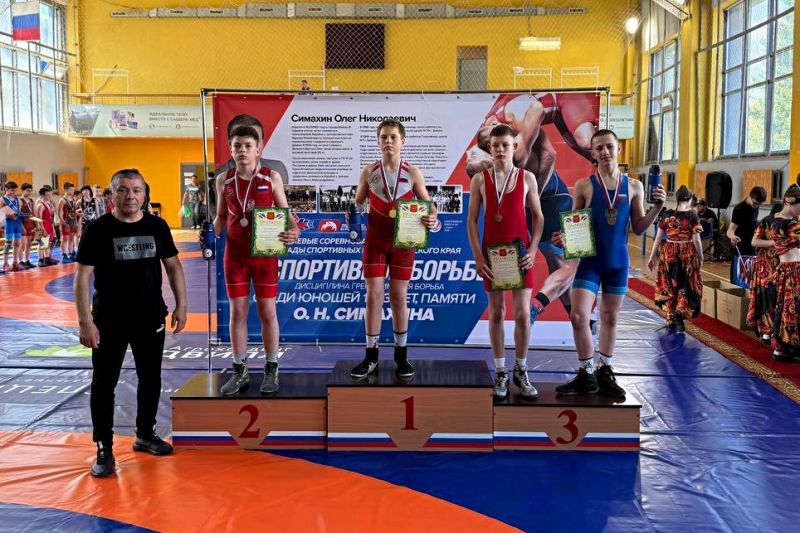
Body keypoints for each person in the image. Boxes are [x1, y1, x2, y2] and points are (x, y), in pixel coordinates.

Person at [74, 169, 187, 478]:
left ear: (144, 194)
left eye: (136, 190)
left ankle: (145, 434)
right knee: (104, 383)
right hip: (108, 320)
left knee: (150, 377)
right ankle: (104, 447)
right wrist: (85, 321)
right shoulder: (98, 230)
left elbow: (173, 266)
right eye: (123, 190)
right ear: (112, 194)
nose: (130, 196)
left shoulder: (157, 226)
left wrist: (182, 305)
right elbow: (82, 277)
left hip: (149, 316)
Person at [555, 129, 666, 397]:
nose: (605, 152)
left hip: (617, 263)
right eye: (599, 148)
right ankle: (586, 373)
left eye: (609, 146)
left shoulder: (635, 186)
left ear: (618, 149)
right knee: (578, 315)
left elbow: (638, 228)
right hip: (590, 263)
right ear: (592, 153)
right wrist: (564, 238)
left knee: (610, 317)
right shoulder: (584, 186)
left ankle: (605, 370)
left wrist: (657, 208)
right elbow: (574, 225)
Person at [213, 125, 299, 396]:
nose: (242, 150)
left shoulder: (271, 177)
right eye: (237, 146)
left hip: (264, 256)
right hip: (235, 257)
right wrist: (209, 233)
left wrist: (294, 231)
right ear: (231, 150)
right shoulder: (223, 180)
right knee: (237, 313)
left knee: (267, 312)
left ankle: (271, 368)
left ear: (258, 150)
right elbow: (220, 217)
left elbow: (286, 214)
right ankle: (239, 370)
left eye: (248, 146)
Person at [349, 119, 438, 379]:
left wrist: (432, 217)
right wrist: (353, 213)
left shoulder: (412, 172)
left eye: (393, 137)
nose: (388, 141)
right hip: (375, 243)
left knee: (399, 297)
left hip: (403, 243)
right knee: (373, 297)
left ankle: (401, 356)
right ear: (378, 141)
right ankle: (371, 356)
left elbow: (429, 206)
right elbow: (357, 203)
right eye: (384, 137)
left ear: (402, 142)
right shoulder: (369, 171)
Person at [467, 124, 543, 397]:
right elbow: (472, 221)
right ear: (489, 148)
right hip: (492, 256)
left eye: (505, 145)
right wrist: (478, 256)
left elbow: (539, 217)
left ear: (515, 147)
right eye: (495, 145)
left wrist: (533, 250)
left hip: (520, 255)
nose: (500, 149)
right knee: (496, 312)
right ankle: (500, 371)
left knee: (523, 314)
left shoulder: (527, 178)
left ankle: (521, 370)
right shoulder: (480, 180)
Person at [648, 185, 704, 333]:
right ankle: (680, 312)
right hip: (687, 253)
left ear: (677, 198)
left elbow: (658, 238)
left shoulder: (667, 214)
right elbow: (697, 239)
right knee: (687, 284)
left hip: (669, 253)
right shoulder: (693, 216)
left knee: (670, 284)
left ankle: (670, 317)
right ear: (690, 199)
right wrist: (701, 256)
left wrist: (652, 257)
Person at [769, 185, 800, 363]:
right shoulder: (789, 225)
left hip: (787, 269)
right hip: (793, 271)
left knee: (784, 308)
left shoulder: (777, 222)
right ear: (792, 204)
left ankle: (782, 347)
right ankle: (788, 345)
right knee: (791, 308)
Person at [215, 114, 290, 184]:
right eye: (238, 142)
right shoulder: (220, 176)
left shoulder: (278, 169)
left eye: (255, 140)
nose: (243, 149)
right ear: (230, 145)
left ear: (262, 143)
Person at [748, 203, 782, 343]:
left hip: (781, 263)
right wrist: (773, 243)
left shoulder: (793, 222)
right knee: (766, 296)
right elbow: (754, 242)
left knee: (777, 297)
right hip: (766, 265)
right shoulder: (766, 222)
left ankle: (774, 331)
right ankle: (766, 330)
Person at [2, 181, 23, 272]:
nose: (13, 192)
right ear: (6, 189)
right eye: (11, 190)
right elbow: (0, 214)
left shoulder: (17, 199)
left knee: (17, 243)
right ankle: (5, 263)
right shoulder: (2, 200)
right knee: (8, 244)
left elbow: (19, 210)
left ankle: (15, 262)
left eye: (14, 190)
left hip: (17, 223)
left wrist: (23, 214)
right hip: (9, 223)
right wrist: (8, 215)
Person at [35, 186, 58, 266]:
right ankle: (40, 260)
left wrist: (52, 227)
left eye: (50, 195)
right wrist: (42, 229)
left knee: (47, 243)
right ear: (42, 195)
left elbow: (50, 217)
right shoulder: (40, 205)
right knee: (42, 243)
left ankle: (47, 258)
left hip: (48, 225)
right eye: (47, 195)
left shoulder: (48, 204)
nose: (49, 196)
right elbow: (39, 219)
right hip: (42, 226)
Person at [57, 182, 79, 263]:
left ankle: (71, 253)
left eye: (73, 190)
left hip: (72, 222)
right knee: (65, 238)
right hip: (65, 222)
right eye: (71, 190)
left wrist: (76, 222)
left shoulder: (73, 199)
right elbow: (59, 213)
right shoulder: (62, 200)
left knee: (72, 238)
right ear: (65, 190)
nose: (73, 191)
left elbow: (74, 212)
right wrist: (64, 223)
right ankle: (64, 255)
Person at [18, 183, 37, 269]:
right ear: (23, 191)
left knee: (29, 243)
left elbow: (33, 213)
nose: (29, 192)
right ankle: (20, 261)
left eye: (30, 191)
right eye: (27, 190)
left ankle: (27, 260)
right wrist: (21, 226)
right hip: (23, 224)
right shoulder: (20, 201)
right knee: (22, 245)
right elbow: (18, 214)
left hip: (31, 224)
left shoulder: (32, 201)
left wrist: (36, 225)